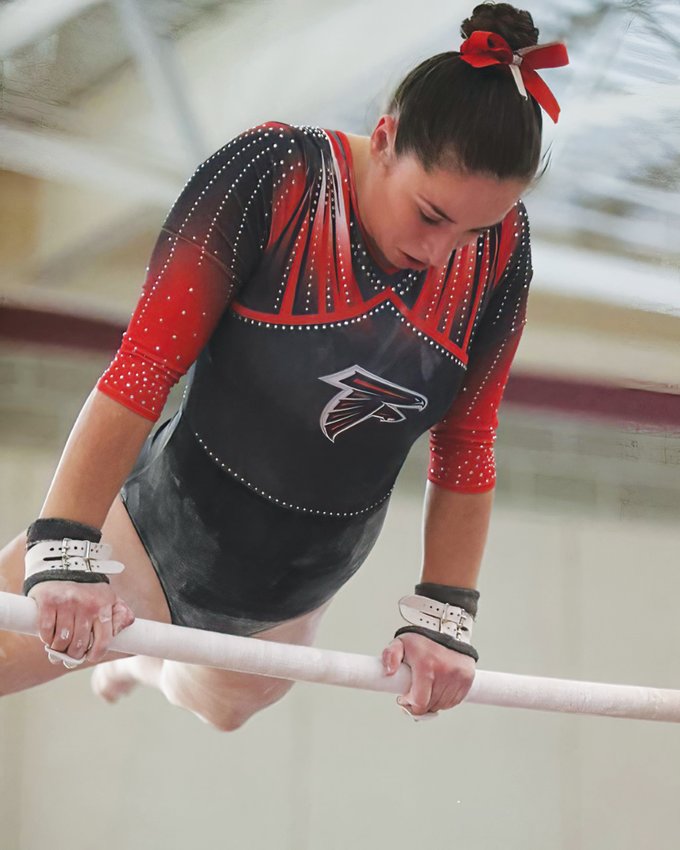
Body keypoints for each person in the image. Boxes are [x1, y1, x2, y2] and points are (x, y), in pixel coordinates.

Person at [0, 3, 568, 726]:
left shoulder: (500, 252)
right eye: (430, 215)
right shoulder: (276, 179)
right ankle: (132, 648)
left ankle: (140, 661)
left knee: (220, 710)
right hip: (159, 533)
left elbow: (466, 441)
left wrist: (443, 617)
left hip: (296, 586)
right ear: (387, 138)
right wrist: (66, 547)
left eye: (474, 230)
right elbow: (145, 366)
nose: (442, 252)